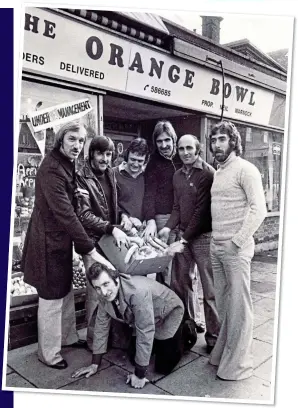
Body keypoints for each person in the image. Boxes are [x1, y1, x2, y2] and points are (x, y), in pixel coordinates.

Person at [21, 121, 113, 370]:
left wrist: (77, 197)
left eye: (81, 141)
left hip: (60, 242)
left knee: (65, 292)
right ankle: (48, 354)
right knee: (51, 298)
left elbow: (68, 201)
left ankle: (68, 338)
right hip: (47, 242)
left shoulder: (66, 164)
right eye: (72, 139)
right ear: (61, 139)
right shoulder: (52, 168)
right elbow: (65, 214)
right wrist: (89, 248)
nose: (77, 145)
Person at [72, 262, 197, 389]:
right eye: (97, 287)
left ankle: (187, 328)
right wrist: (94, 364)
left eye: (105, 284)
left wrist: (139, 375)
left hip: (168, 314)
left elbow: (145, 330)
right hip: (146, 318)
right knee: (133, 358)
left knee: (163, 367)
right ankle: (158, 342)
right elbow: (101, 327)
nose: (103, 292)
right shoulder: (104, 295)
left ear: (116, 278)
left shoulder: (137, 292)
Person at [208, 121, 267, 380]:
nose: (217, 144)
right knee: (224, 305)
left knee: (240, 308)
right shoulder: (219, 172)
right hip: (216, 247)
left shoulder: (246, 169)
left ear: (233, 141)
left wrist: (237, 241)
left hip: (235, 249)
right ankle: (223, 354)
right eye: (214, 140)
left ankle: (239, 365)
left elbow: (259, 210)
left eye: (222, 139)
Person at [158, 134, 220, 353]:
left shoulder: (207, 174)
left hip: (203, 238)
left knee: (209, 289)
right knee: (180, 284)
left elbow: (201, 212)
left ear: (198, 149)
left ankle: (214, 338)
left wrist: (182, 240)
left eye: (189, 148)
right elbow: (177, 207)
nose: (185, 152)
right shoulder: (177, 176)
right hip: (184, 235)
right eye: (181, 148)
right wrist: (167, 228)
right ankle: (187, 328)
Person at [75, 135, 130, 349]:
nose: (105, 159)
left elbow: (113, 206)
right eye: (100, 153)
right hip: (93, 243)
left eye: (108, 154)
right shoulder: (81, 176)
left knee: (113, 289)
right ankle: (93, 342)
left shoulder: (110, 174)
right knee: (96, 293)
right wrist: (111, 228)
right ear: (91, 154)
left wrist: (123, 216)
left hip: (110, 241)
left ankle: (110, 338)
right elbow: (84, 214)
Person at [113, 138, 150, 231]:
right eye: (133, 159)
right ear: (127, 156)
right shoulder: (113, 173)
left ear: (145, 160)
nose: (136, 164)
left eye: (140, 161)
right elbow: (109, 203)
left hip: (141, 229)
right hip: (119, 228)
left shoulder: (147, 176)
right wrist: (126, 217)